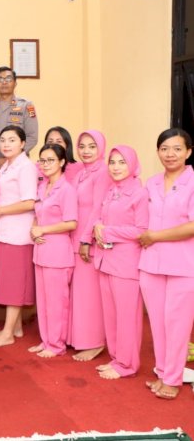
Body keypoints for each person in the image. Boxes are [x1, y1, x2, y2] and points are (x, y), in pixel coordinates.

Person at [139, 128, 194, 400]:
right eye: (164, 149)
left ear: (188, 152)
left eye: (177, 148)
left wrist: (155, 236)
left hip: (184, 265)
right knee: (158, 324)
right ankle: (162, 372)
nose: (170, 154)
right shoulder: (150, 183)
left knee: (178, 325)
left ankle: (172, 379)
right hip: (151, 264)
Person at [93, 145, 148, 379]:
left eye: (122, 162)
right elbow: (101, 219)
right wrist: (97, 225)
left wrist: (107, 232)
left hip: (126, 263)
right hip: (106, 259)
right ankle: (117, 358)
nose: (116, 167)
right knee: (112, 315)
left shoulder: (139, 193)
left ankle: (127, 364)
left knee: (127, 317)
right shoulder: (111, 190)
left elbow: (142, 230)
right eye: (112, 162)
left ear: (132, 164)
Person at [0, 125, 38, 348]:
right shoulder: (7, 166)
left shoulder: (26, 167)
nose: (6, 144)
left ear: (23, 143)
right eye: (3, 140)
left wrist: (1, 211)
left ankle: (7, 333)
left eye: (12, 140)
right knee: (9, 280)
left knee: (15, 283)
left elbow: (30, 202)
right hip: (6, 232)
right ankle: (15, 327)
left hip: (19, 233)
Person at [28, 144, 77, 358]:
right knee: (44, 301)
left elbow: (71, 223)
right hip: (41, 251)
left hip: (58, 254)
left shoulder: (67, 190)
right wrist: (34, 229)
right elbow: (37, 215)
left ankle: (56, 345)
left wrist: (43, 229)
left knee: (57, 302)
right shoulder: (42, 187)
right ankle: (46, 340)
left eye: (51, 160)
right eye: (42, 160)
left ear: (62, 162)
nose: (45, 164)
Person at [69, 130, 112, 361]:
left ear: (101, 148)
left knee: (90, 294)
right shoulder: (81, 173)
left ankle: (94, 342)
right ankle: (80, 338)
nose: (86, 151)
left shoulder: (103, 172)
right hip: (75, 238)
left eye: (92, 146)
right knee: (80, 292)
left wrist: (86, 239)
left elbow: (98, 209)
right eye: (82, 146)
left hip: (89, 241)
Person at [0, 67, 38, 171]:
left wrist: (10, 159)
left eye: (8, 79)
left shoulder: (26, 106)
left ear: (15, 83)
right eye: (0, 79)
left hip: (18, 165)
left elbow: (32, 137)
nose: (4, 82)